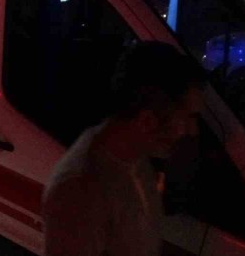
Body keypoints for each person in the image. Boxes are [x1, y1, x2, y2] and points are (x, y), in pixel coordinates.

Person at [42, 42, 206, 256]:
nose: (193, 130)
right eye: (188, 117)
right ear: (146, 120)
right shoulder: (80, 191)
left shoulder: (135, 159)